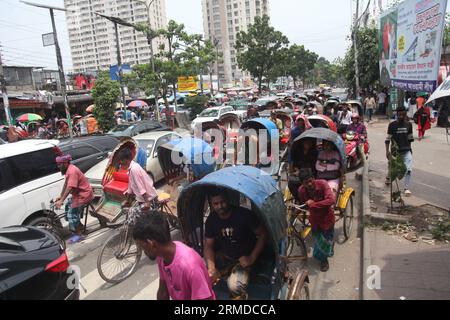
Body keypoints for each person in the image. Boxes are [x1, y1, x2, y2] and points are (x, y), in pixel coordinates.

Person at [132, 211, 215, 300]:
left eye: (142, 246)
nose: (144, 251)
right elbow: (163, 290)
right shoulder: (162, 256)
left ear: (151, 243)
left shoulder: (190, 266)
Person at [204, 188, 268, 300]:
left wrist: (251, 258)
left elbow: (263, 234)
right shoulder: (211, 220)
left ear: (228, 200)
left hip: (243, 260)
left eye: (222, 202)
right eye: (216, 203)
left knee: (235, 288)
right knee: (201, 277)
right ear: (212, 204)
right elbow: (208, 245)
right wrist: (211, 268)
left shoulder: (244, 215)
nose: (220, 206)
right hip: (225, 256)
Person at [297, 169, 335, 272]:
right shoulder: (301, 191)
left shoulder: (322, 184)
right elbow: (304, 205)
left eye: (310, 180)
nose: (309, 184)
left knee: (326, 242)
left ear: (314, 178)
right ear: (302, 183)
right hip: (314, 220)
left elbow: (331, 200)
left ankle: (324, 261)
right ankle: (324, 256)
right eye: (306, 183)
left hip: (327, 219)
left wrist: (314, 204)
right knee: (319, 242)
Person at [55, 154, 94, 243]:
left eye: (60, 164)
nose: (58, 166)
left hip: (84, 195)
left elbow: (70, 187)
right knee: (67, 207)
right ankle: (80, 227)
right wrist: (61, 196)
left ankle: (79, 235)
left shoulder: (72, 171)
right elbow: (66, 184)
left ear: (65, 163)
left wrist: (61, 201)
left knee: (71, 214)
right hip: (78, 195)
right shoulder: (68, 170)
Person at [385, 107, 414, 196]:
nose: (401, 115)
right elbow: (387, 140)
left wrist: (410, 150)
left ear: (405, 114)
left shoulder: (409, 125)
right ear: (397, 114)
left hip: (406, 151)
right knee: (393, 169)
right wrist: (387, 152)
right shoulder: (392, 125)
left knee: (408, 169)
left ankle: (406, 188)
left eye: (403, 113)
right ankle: (388, 177)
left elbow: (410, 139)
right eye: (399, 113)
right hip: (395, 152)